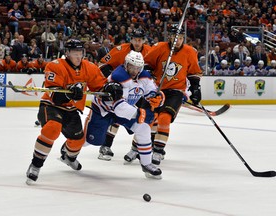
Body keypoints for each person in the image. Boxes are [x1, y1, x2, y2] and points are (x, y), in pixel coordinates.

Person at [26, 39, 107, 184]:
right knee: (52, 128)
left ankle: (68, 157)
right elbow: (55, 95)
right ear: (67, 53)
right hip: (51, 106)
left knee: (78, 141)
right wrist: (70, 93)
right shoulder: (55, 65)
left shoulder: (89, 67)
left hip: (71, 109)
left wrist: (110, 88)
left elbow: (100, 86)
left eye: (80, 52)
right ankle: (35, 165)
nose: (78, 56)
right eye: (75, 53)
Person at [124, 24, 202, 165]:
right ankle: (136, 148)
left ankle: (158, 151)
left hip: (175, 91)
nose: (176, 40)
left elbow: (194, 72)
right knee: (147, 118)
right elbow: (146, 64)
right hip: (156, 89)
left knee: (165, 118)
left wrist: (196, 88)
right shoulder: (160, 47)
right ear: (169, 37)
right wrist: (150, 74)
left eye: (178, 37)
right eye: (173, 37)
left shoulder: (190, 52)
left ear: (183, 38)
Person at [83, 51, 163, 179]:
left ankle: (147, 164)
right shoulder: (119, 76)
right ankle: (69, 149)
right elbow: (119, 108)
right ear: (126, 65)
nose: (134, 70)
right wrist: (138, 112)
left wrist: (157, 97)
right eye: (132, 66)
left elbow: (152, 91)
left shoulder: (145, 77)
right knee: (91, 140)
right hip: (104, 111)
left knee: (143, 129)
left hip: (122, 110)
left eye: (138, 67)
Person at [97, 28, 151, 160]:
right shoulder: (120, 50)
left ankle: (137, 149)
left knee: (146, 118)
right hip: (120, 89)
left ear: (144, 40)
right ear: (130, 39)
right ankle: (106, 146)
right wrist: (111, 81)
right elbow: (102, 64)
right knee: (116, 116)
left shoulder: (151, 51)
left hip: (138, 89)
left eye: (140, 40)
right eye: (135, 40)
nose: (137, 43)